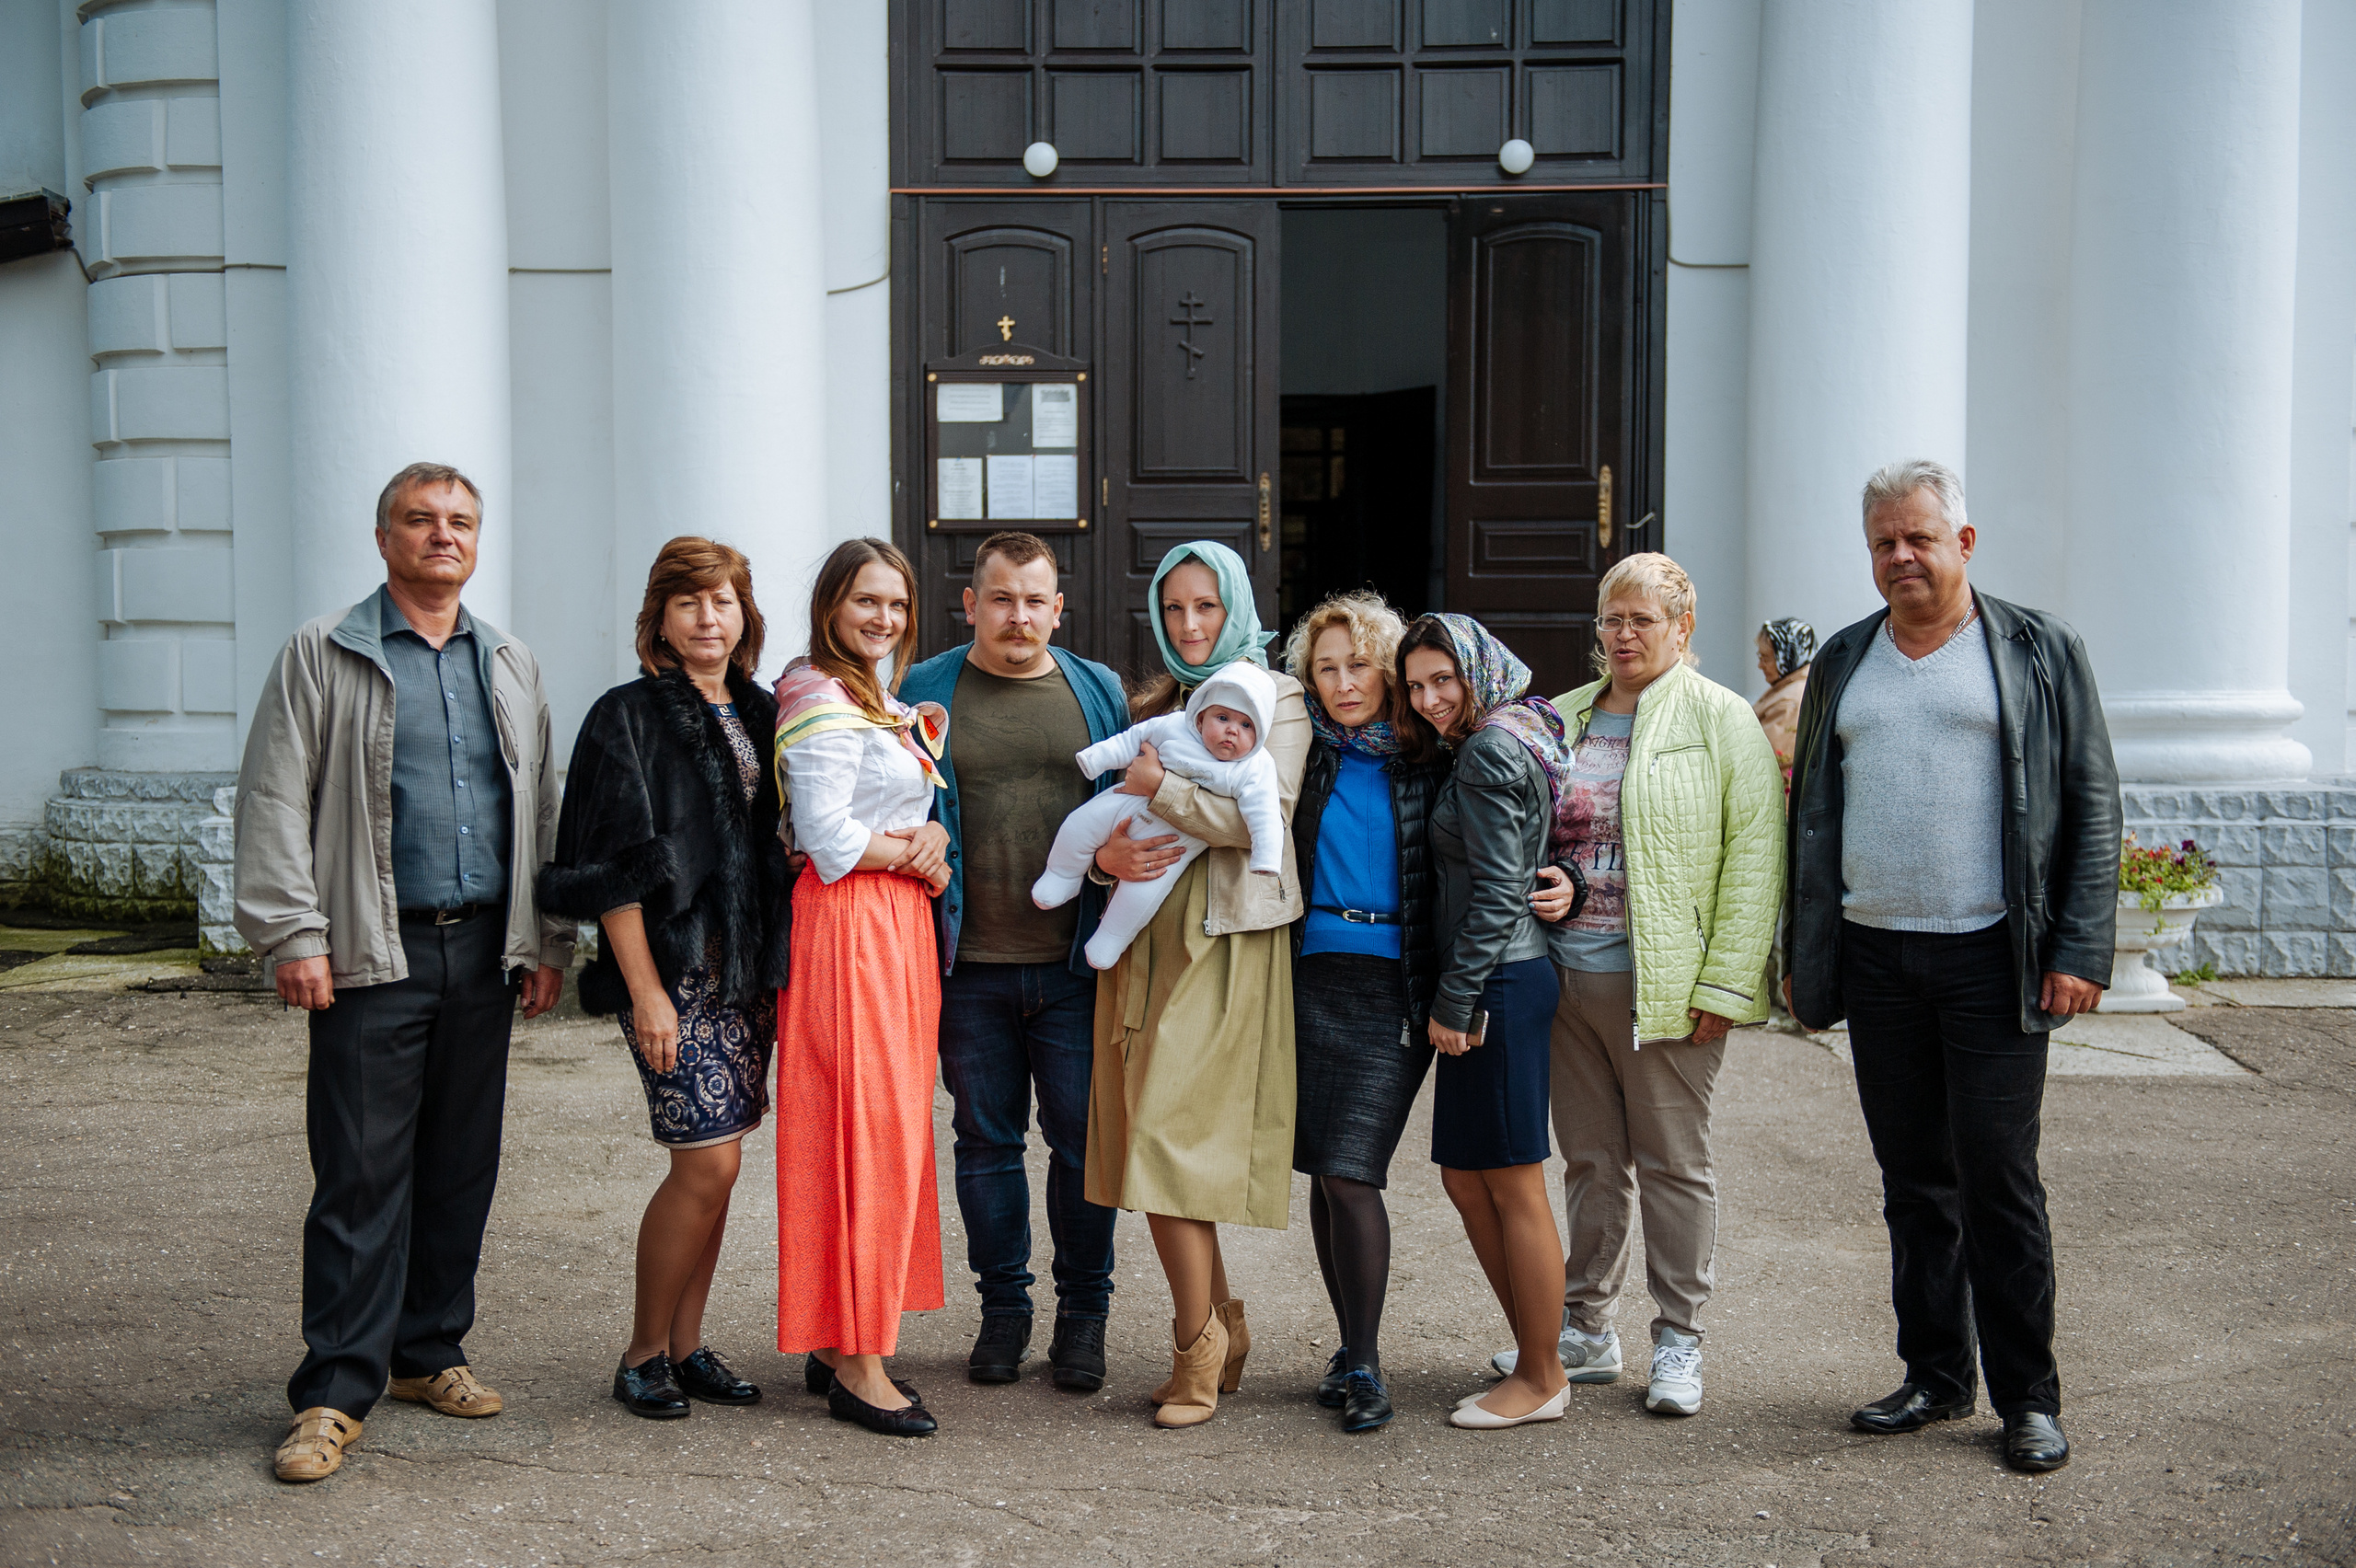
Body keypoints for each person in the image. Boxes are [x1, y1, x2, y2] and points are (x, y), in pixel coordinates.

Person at [233, 462, 571, 1483]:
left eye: (460, 522)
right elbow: (274, 796)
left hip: (484, 951)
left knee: (461, 1163)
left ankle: (428, 1352)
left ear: (479, 539)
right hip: (370, 952)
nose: (442, 536)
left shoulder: (507, 659)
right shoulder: (325, 651)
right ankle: (336, 1390)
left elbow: (540, 804)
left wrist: (545, 940)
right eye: (420, 521)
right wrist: (293, 934)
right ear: (384, 539)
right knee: (360, 1175)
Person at [1786, 459, 2119, 1475]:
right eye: (1883, 542)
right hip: (1880, 955)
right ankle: (1934, 1375)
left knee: (1997, 1179)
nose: (1899, 557)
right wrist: (1806, 957)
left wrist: (2077, 948)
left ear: (1963, 543)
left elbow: (2091, 804)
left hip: (1992, 957)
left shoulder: (2036, 649)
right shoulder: (1846, 658)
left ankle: (2027, 1398)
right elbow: (1811, 820)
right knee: (1911, 1183)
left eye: (1918, 539)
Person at [1484, 553, 1783, 1419]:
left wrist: (1726, 984)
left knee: (1674, 1165)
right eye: (1611, 619)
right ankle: (1586, 1330)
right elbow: (1532, 824)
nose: (1621, 635)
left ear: (1683, 628)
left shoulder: (1722, 718)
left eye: (1641, 620)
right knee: (1589, 1161)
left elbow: (1755, 858)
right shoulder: (1564, 716)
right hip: (1562, 977)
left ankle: (1680, 1337)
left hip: (1669, 988)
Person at [540, 537, 791, 1420]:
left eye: (721, 602)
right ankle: (644, 1350)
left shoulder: (764, 711)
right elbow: (614, 869)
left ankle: (689, 1348)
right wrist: (645, 990)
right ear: (660, 619)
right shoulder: (627, 716)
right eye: (688, 603)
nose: (707, 618)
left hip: (746, 974)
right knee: (705, 1161)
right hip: (674, 970)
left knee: (720, 1166)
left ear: (744, 615)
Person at [897, 533, 1131, 1391]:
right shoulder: (925, 688)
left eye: (1036, 600)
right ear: (971, 604)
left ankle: (1083, 1316)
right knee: (985, 1143)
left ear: (1058, 607)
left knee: (1080, 1145)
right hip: (968, 963)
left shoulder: (1096, 689)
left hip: (1073, 964)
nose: (1018, 616)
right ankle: (1004, 1311)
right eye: (1001, 598)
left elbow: (1130, 807)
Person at [1084, 540, 1308, 1429]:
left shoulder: (1276, 698)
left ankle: (1195, 1352)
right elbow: (1122, 814)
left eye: (1206, 607)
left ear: (1236, 606)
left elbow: (1264, 822)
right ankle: (1223, 1327)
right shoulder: (1162, 702)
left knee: (1169, 1145)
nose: (1189, 625)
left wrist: (1161, 788)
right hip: (1144, 944)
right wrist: (1104, 857)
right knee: (1147, 1134)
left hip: (1224, 941)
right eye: (1174, 610)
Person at [771, 537, 954, 1438]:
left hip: (897, 929)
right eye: (864, 602)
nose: (881, 618)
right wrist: (915, 855)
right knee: (859, 1133)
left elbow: (894, 818)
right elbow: (828, 838)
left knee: (889, 1130)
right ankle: (859, 1364)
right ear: (830, 607)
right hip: (848, 929)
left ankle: (842, 1328)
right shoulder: (815, 693)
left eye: (894, 604)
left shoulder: (874, 698)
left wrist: (934, 846)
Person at [1395, 613, 1573, 1432]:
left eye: (1444, 680)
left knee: (1511, 1180)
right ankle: (1539, 1351)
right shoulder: (1507, 732)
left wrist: (1455, 1001)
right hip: (1499, 973)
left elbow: (1502, 889)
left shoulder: (1490, 748)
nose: (1431, 699)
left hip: (1497, 979)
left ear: (1477, 672)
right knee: (1468, 1179)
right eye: (1417, 685)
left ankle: (1541, 1377)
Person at [1283, 591, 1446, 1435]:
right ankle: (1349, 1349)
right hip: (1312, 974)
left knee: (1353, 1169)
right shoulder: (1306, 750)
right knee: (1325, 1167)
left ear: (1386, 670)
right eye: (1326, 668)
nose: (1344, 684)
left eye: (1358, 666)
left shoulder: (1430, 756)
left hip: (1395, 983)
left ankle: (1368, 1362)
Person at [1036, 661, 1284, 967]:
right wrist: (1096, 759)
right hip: (1127, 803)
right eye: (1223, 718)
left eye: (1247, 725)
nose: (1232, 730)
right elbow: (1131, 740)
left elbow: (1267, 814)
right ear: (1201, 716)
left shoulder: (1255, 766)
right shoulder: (1174, 725)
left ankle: (1110, 939)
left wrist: (1267, 857)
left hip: (1174, 841)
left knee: (1142, 893)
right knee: (1081, 824)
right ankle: (1062, 875)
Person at [1753, 617, 1815, 778]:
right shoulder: (1787, 687)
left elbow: (1762, 757)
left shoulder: (1790, 701)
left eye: (1765, 658)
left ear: (1787, 657)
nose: (1760, 665)